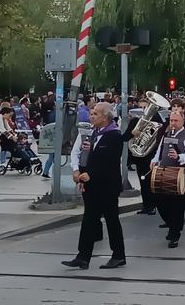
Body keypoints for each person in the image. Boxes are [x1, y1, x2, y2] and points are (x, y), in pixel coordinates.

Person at [62, 102, 126, 270]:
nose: (91, 116)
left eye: (95, 114)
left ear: (105, 117)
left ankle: (118, 255)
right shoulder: (93, 132)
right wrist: (80, 174)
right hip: (92, 185)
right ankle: (83, 256)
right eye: (91, 113)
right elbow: (87, 157)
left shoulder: (114, 136)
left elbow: (109, 162)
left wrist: (91, 174)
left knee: (112, 220)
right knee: (89, 220)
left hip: (108, 186)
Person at [150, 111, 185, 248]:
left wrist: (179, 157)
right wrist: (154, 161)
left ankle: (175, 234)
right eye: (171, 121)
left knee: (176, 206)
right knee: (160, 201)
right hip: (163, 171)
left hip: (178, 174)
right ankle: (171, 224)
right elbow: (159, 150)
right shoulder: (166, 134)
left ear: (182, 121)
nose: (173, 123)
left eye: (176, 121)